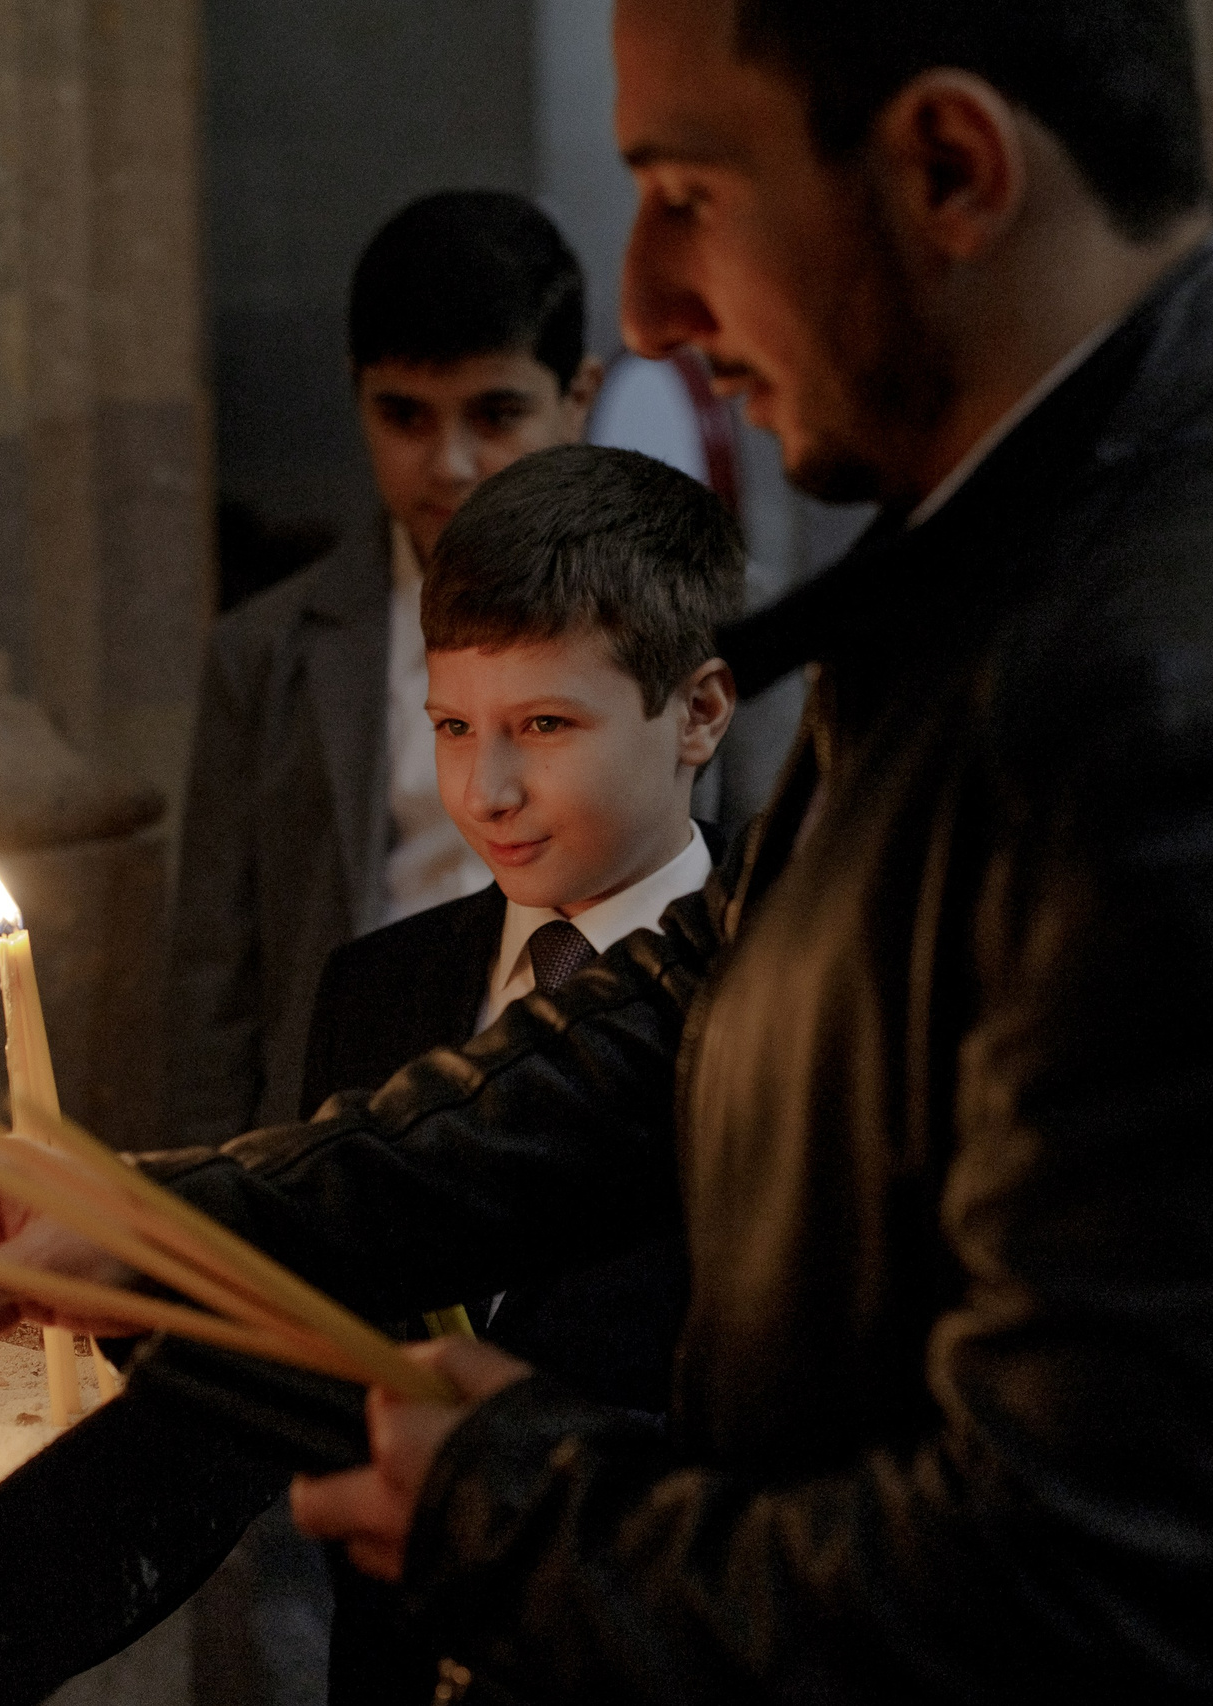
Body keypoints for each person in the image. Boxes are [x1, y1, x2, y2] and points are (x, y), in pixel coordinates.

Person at [0, 2, 1213, 1699]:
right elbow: (717, 996)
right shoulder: (1043, 519)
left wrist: (511, 1508)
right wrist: (171, 1216)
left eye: (689, 194)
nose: (646, 297)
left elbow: (1111, 1603)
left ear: (950, 168)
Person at [299, 443, 737, 1704]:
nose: (482, 790)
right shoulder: (373, 989)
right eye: (451, 727)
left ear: (697, 711)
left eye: (543, 725)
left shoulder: (785, 995)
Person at [163, 191, 605, 1153]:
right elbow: (214, 994)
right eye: (403, 415)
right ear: (356, 394)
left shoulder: (706, 620)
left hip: (600, 1121)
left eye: (495, 414)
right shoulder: (271, 652)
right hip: (344, 1134)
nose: (447, 463)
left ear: (578, 398)